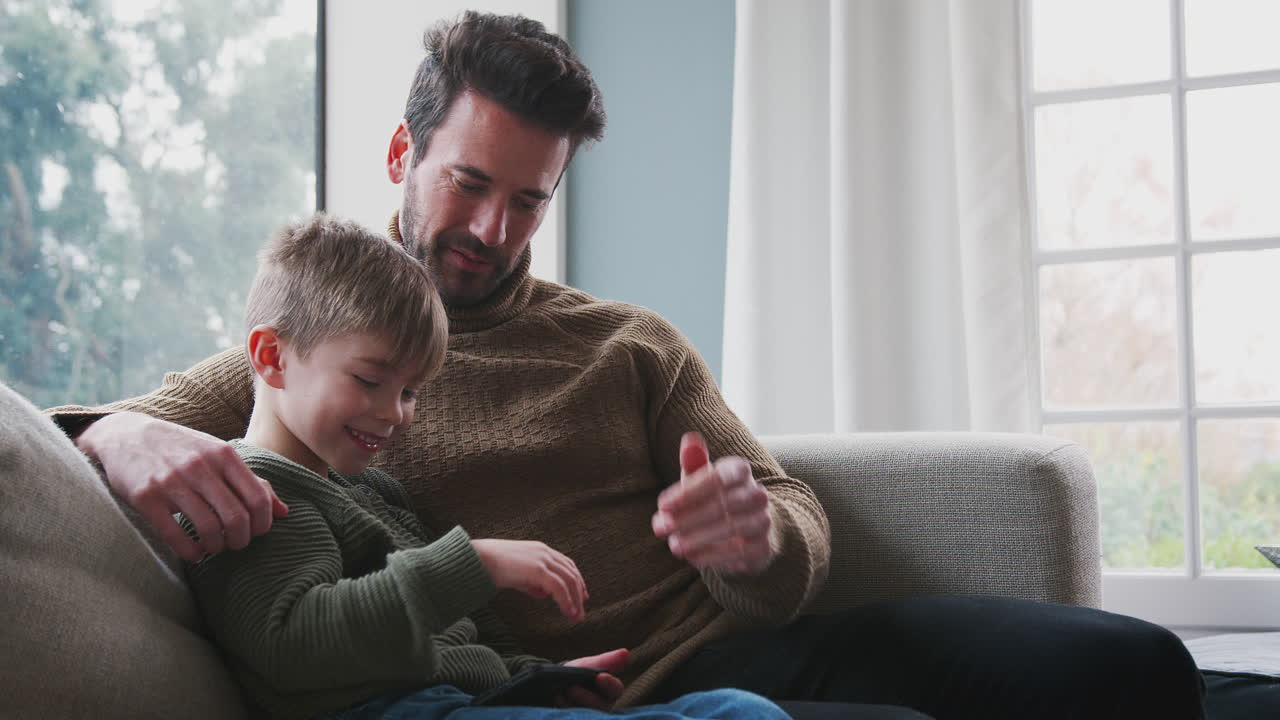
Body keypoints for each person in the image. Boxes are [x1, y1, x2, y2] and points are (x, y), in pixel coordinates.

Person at [51, 11, 1203, 720]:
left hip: (757, 643)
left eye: (527, 201)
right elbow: (87, 432)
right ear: (403, 152)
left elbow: (787, 515)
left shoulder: (626, 342)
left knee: (1131, 667)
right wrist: (118, 431)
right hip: (592, 700)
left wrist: (756, 536)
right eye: (468, 184)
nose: (492, 230)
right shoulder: (330, 356)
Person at [190, 211, 792, 720]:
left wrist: (534, 679)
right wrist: (472, 564)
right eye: (370, 380)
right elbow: (293, 645)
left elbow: (465, 638)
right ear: (272, 356)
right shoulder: (247, 491)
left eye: (410, 392)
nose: (395, 413)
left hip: (468, 704)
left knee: (736, 710)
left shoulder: (374, 493)